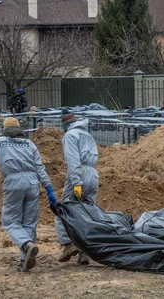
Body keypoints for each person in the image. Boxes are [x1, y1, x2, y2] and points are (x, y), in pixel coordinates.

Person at [0, 117, 57, 272]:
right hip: (33, 182)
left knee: (11, 222)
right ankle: (24, 260)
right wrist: (49, 189)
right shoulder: (29, 144)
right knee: (29, 222)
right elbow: (40, 168)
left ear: (4, 129)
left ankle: (26, 244)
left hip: (14, 182)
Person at [55, 108, 99, 265]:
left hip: (79, 174)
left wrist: (77, 183)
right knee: (87, 213)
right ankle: (84, 251)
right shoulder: (88, 135)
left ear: (64, 124)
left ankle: (68, 244)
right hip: (93, 175)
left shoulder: (70, 136)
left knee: (64, 211)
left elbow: (74, 161)